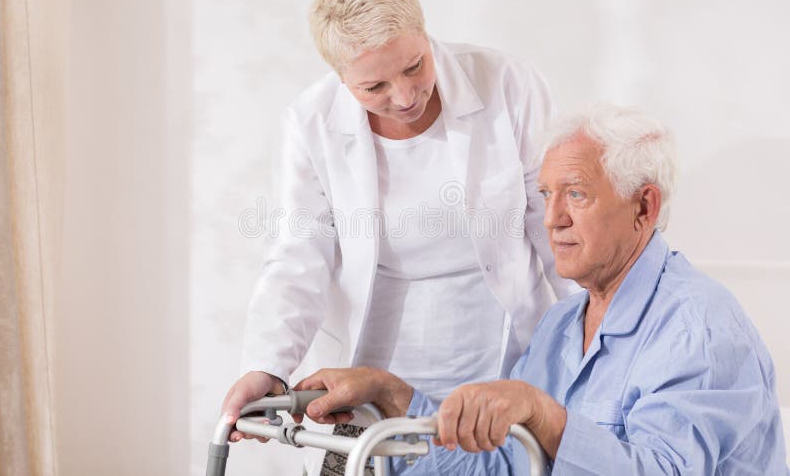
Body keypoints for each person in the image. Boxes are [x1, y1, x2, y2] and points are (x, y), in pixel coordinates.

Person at [295, 103, 789, 474]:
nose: (552, 220)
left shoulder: (695, 328)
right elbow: (504, 465)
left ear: (645, 208)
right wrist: (389, 397)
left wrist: (545, 418)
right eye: (547, 196)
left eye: (576, 194)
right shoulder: (561, 324)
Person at [220, 0, 577, 474]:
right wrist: (265, 367)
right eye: (375, 86)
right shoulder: (311, 123)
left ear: (426, 33)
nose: (406, 96)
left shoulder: (508, 85)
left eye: (414, 66)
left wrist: (593, 362)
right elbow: (298, 258)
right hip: (373, 390)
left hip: (503, 372)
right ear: (342, 79)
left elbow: (561, 235)